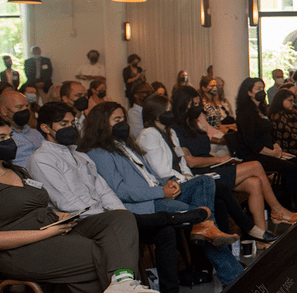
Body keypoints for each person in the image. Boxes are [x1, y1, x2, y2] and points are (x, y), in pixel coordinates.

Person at [27, 102, 204, 293]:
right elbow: (66, 202)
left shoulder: (80, 156)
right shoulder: (41, 159)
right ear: (45, 128)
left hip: (106, 218)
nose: (70, 128)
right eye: (63, 124)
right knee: (134, 220)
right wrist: (110, 216)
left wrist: (120, 214)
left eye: (72, 123)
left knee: (165, 231)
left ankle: (169, 291)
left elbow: (105, 191)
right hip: (80, 221)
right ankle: (180, 217)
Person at [78, 102, 245, 286]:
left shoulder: (126, 145)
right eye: (117, 120)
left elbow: (149, 176)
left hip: (159, 192)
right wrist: (161, 192)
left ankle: (206, 228)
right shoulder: (99, 153)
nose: (123, 124)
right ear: (102, 123)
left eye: (123, 119)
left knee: (204, 181)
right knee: (199, 216)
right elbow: (121, 191)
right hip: (147, 205)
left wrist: (167, 183)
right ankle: (234, 276)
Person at [0, 112, 156, 293]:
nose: (9, 142)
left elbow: (33, 206)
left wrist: (57, 216)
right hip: (18, 250)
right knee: (104, 253)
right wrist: (46, 233)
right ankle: (123, 285)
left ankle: (123, 285)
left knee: (121, 218)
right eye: (1, 138)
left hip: (53, 229)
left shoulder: (17, 171)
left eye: (10, 136)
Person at [137, 94, 280, 242]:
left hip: (185, 180)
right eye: (167, 110)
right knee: (219, 187)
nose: (170, 113)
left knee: (221, 200)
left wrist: (188, 176)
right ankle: (250, 228)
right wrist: (188, 180)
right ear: (155, 114)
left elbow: (182, 162)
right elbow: (162, 172)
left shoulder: (170, 132)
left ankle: (228, 243)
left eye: (170, 109)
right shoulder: (149, 135)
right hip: (171, 186)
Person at [171, 86, 297, 225]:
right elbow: (190, 162)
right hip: (200, 174)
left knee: (254, 183)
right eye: (194, 104)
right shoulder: (175, 129)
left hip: (212, 166)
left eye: (198, 104)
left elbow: (205, 146)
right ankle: (277, 210)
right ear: (183, 104)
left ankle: (261, 238)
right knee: (256, 166)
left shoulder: (193, 123)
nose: (197, 108)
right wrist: (220, 159)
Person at [234, 77, 297, 213]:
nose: (262, 92)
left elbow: (269, 134)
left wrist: (277, 147)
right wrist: (273, 154)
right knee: (290, 167)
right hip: (254, 155)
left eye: (263, 88)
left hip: (269, 150)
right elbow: (251, 142)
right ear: (249, 92)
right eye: (258, 89)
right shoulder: (245, 114)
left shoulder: (261, 110)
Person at [0, 91, 43, 168]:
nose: (25, 110)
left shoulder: (35, 132)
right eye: (19, 107)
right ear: (4, 111)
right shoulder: (0, 137)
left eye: (26, 106)